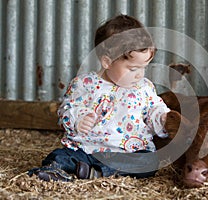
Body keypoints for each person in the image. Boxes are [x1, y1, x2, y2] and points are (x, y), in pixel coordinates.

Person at [28, 14, 172, 182]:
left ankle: (98, 171)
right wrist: (78, 119)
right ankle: (55, 169)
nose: (139, 74)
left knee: (149, 161)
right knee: (61, 155)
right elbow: (67, 109)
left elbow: (154, 108)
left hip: (128, 152)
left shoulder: (144, 88)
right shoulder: (84, 84)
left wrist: (162, 117)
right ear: (107, 62)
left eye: (144, 68)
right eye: (133, 69)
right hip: (88, 150)